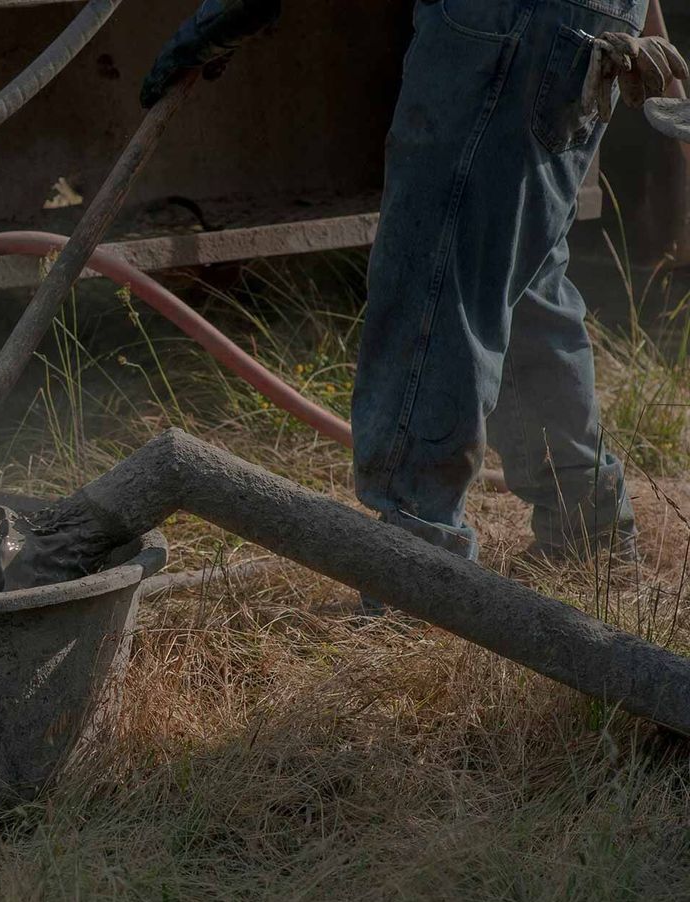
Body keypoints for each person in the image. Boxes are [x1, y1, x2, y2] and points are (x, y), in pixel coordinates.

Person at [141, 0, 688, 566]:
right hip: (579, 16)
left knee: (437, 278)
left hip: (502, 22)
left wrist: (225, 16)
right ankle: (589, 537)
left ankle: (419, 574)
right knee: (520, 281)